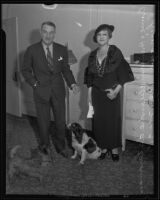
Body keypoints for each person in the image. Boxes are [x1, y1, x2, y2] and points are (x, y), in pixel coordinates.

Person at [21, 21, 79, 164]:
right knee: (43, 122)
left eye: (51, 32)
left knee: (60, 122)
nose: (48, 35)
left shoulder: (61, 49)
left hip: (58, 91)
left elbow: (65, 69)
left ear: (54, 33)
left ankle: (61, 146)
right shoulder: (32, 50)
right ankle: (45, 146)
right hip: (40, 92)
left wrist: (72, 83)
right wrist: (35, 84)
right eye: (45, 32)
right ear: (41, 33)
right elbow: (25, 70)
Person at [84, 24, 134, 161]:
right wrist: (89, 95)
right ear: (96, 37)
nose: (101, 37)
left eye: (104, 34)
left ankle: (114, 148)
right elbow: (90, 77)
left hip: (112, 93)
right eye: (99, 34)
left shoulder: (115, 51)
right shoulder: (92, 54)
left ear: (109, 37)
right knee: (99, 121)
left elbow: (123, 73)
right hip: (96, 93)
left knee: (113, 121)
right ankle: (104, 147)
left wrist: (116, 91)